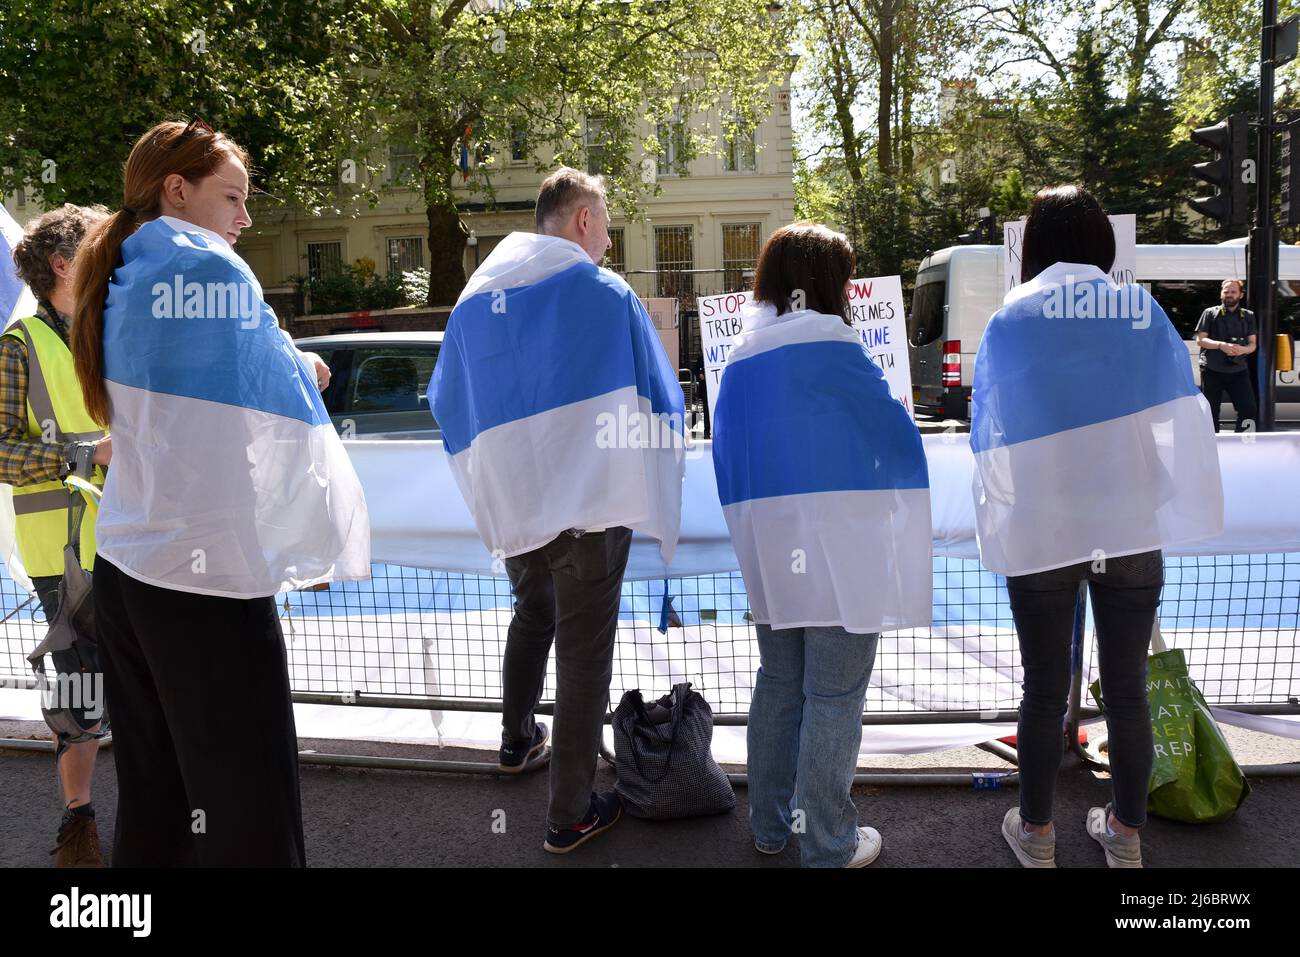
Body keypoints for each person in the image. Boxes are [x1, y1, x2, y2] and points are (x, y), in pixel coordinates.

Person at [71, 118, 370, 866]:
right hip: (205, 576)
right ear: (177, 190)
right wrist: (303, 370)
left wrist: (284, 361)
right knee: (253, 806)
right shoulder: (207, 267)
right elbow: (272, 411)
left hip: (128, 565)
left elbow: (190, 390)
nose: (245, 218)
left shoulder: (124, 270)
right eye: (232, 197)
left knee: (156, 797)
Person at [430, 166, 685, 854]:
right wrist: (658, 484)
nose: (607, 240)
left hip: (519, 507)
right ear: (580, 221)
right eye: (604, 225)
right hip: (593, 512)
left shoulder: (474, 299)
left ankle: (515, 740)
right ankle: (568, 813)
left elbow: (446, 402)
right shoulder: (606, 293)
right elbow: (661, 400)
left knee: (531, 613)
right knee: (582, 658)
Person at [970, 185, 1223, 868]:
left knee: (1043, 688)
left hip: (1043, 528)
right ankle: (1126, 833)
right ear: (1101, 244)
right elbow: (1179, 414)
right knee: (1129, 687)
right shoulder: (1140, 310)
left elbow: (990, 433)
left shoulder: (1012, 317)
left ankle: (1038, 832)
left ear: (1037, 244)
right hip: (1130, 523)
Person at [711, 223, 931, 867]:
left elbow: (728, 453)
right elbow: (893, 441)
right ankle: (828, 842)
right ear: (829, 285)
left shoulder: (744, 355)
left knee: (779, 681)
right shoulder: (837, 348)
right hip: (842, 547)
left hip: (770, 549)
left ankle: (771, 826)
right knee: (833, 696)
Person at [8, 204, 113, 866]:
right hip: (65, 556)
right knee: (79, 694)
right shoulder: (19, 345)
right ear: (60, 265)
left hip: (136, 543)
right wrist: (84, 454)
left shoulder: (110, 332)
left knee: (141, 683)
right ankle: (80, 822)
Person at [1195, 279, 1258, 432]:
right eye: (1226, 291)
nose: (1229, 295)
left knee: (1248, 410)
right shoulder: (1210, 313)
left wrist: (1242, 350)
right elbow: (1200, 340)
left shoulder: (1248, 316)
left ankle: (1243, 444)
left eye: (1233, 292)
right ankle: (1212, 447)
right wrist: (1221, 345)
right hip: (1212, 370)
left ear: (1241, 295)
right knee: (1210, 412)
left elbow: (1252, 344)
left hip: (1238, 371)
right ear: (1221, 293)